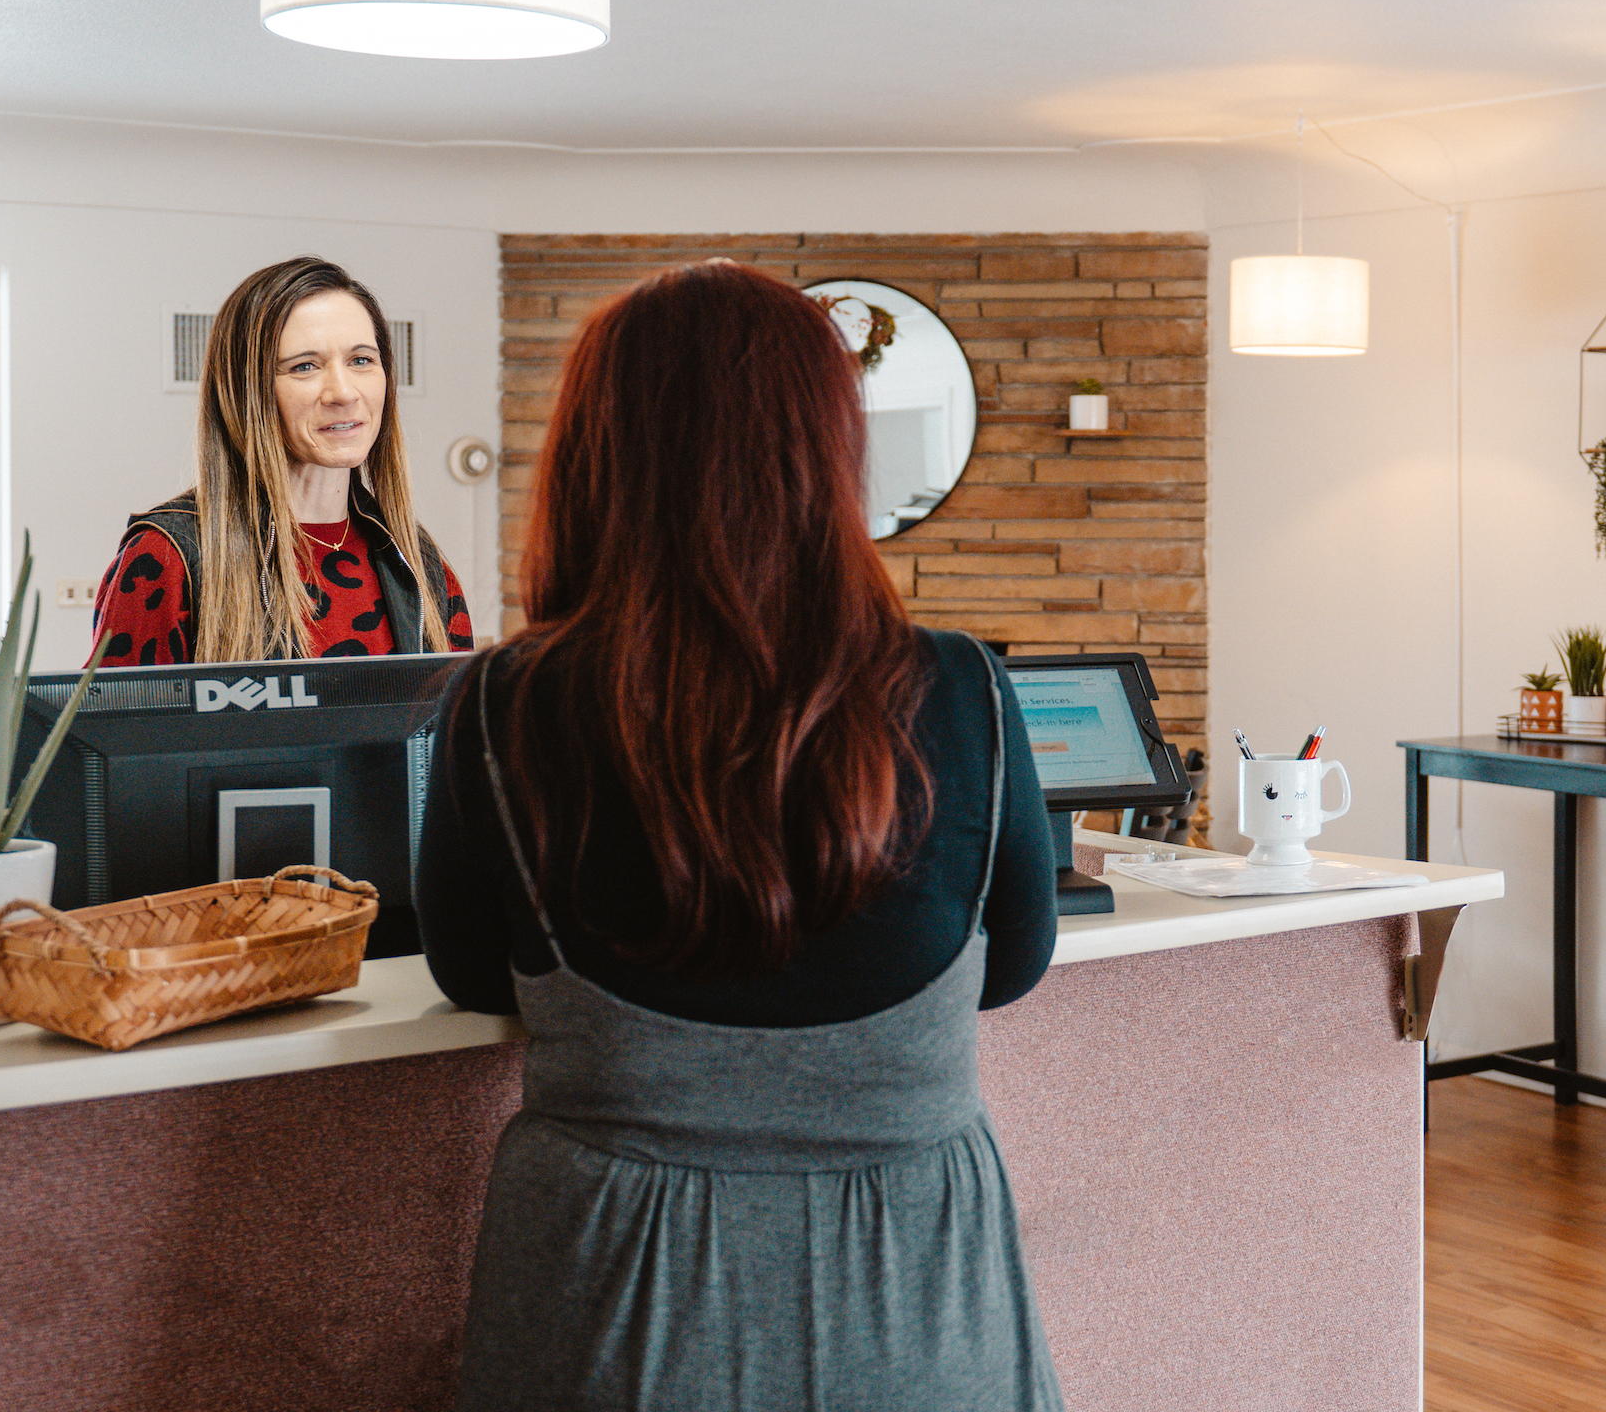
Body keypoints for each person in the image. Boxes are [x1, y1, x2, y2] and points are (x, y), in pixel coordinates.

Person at [412, 260, 1063, 1411]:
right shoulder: (962, 687)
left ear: (598, 456)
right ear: (827, 449)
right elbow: (1008, 966)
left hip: (617, 1299)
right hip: (914, 1290)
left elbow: (470, 975)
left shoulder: (504, 700)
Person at [86, 255, 474, 665]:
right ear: (246, 392)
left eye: (361, 360)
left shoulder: (417, 563)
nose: (343, 392)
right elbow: (116, 728)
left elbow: (459, 726)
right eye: (304, 367)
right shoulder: (168, 558)